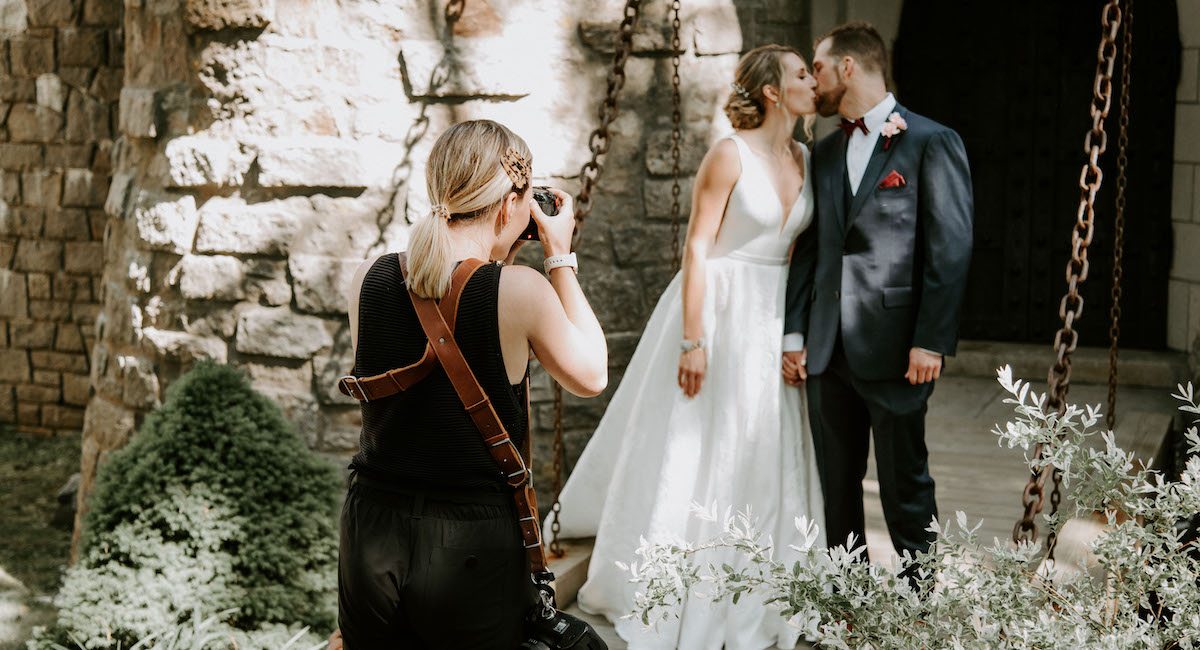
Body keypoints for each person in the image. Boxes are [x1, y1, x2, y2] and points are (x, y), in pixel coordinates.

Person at [547, 45, 825, 649]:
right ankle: (682, 590)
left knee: (766, 445)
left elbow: (803, 256)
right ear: (773, 91)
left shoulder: (807, 157)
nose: (814, 79)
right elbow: (697, 248)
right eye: (802, 73)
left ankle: (767, 590)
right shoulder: (729, 155)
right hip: (717, 309)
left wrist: (796, 331)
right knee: (701, 445)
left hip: (773, 315)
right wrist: (694, 340)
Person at [337, 119, 608, 649]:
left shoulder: (367, 277)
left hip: (372, 527)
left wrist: (499, 254)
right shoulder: (519, 290)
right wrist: (559, 256)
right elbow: (592, 375)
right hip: (468, 539)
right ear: (510, 205)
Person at [781, 22, 973, 573]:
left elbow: (950, 249)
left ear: (848, 68)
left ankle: (917, 606)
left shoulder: (931, 141)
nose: (812, 83)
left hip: (896, 352)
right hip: (825, 353)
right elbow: (812, 248)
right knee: (836, 491)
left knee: (904, 484)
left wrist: (931, 341)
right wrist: (796, 334)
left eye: (817, 68)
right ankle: (849, 602)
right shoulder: (821, 152)